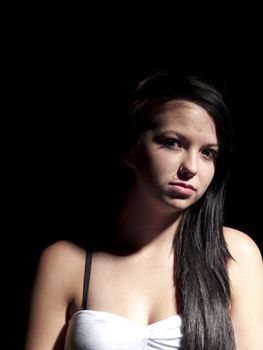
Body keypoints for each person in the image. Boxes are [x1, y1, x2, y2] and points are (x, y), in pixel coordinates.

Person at [25, 70, 263, 350]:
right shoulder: (67, 261)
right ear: (131, 147)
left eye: (208, 152)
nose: (192, 168)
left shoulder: (235, 254)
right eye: (173, 142)